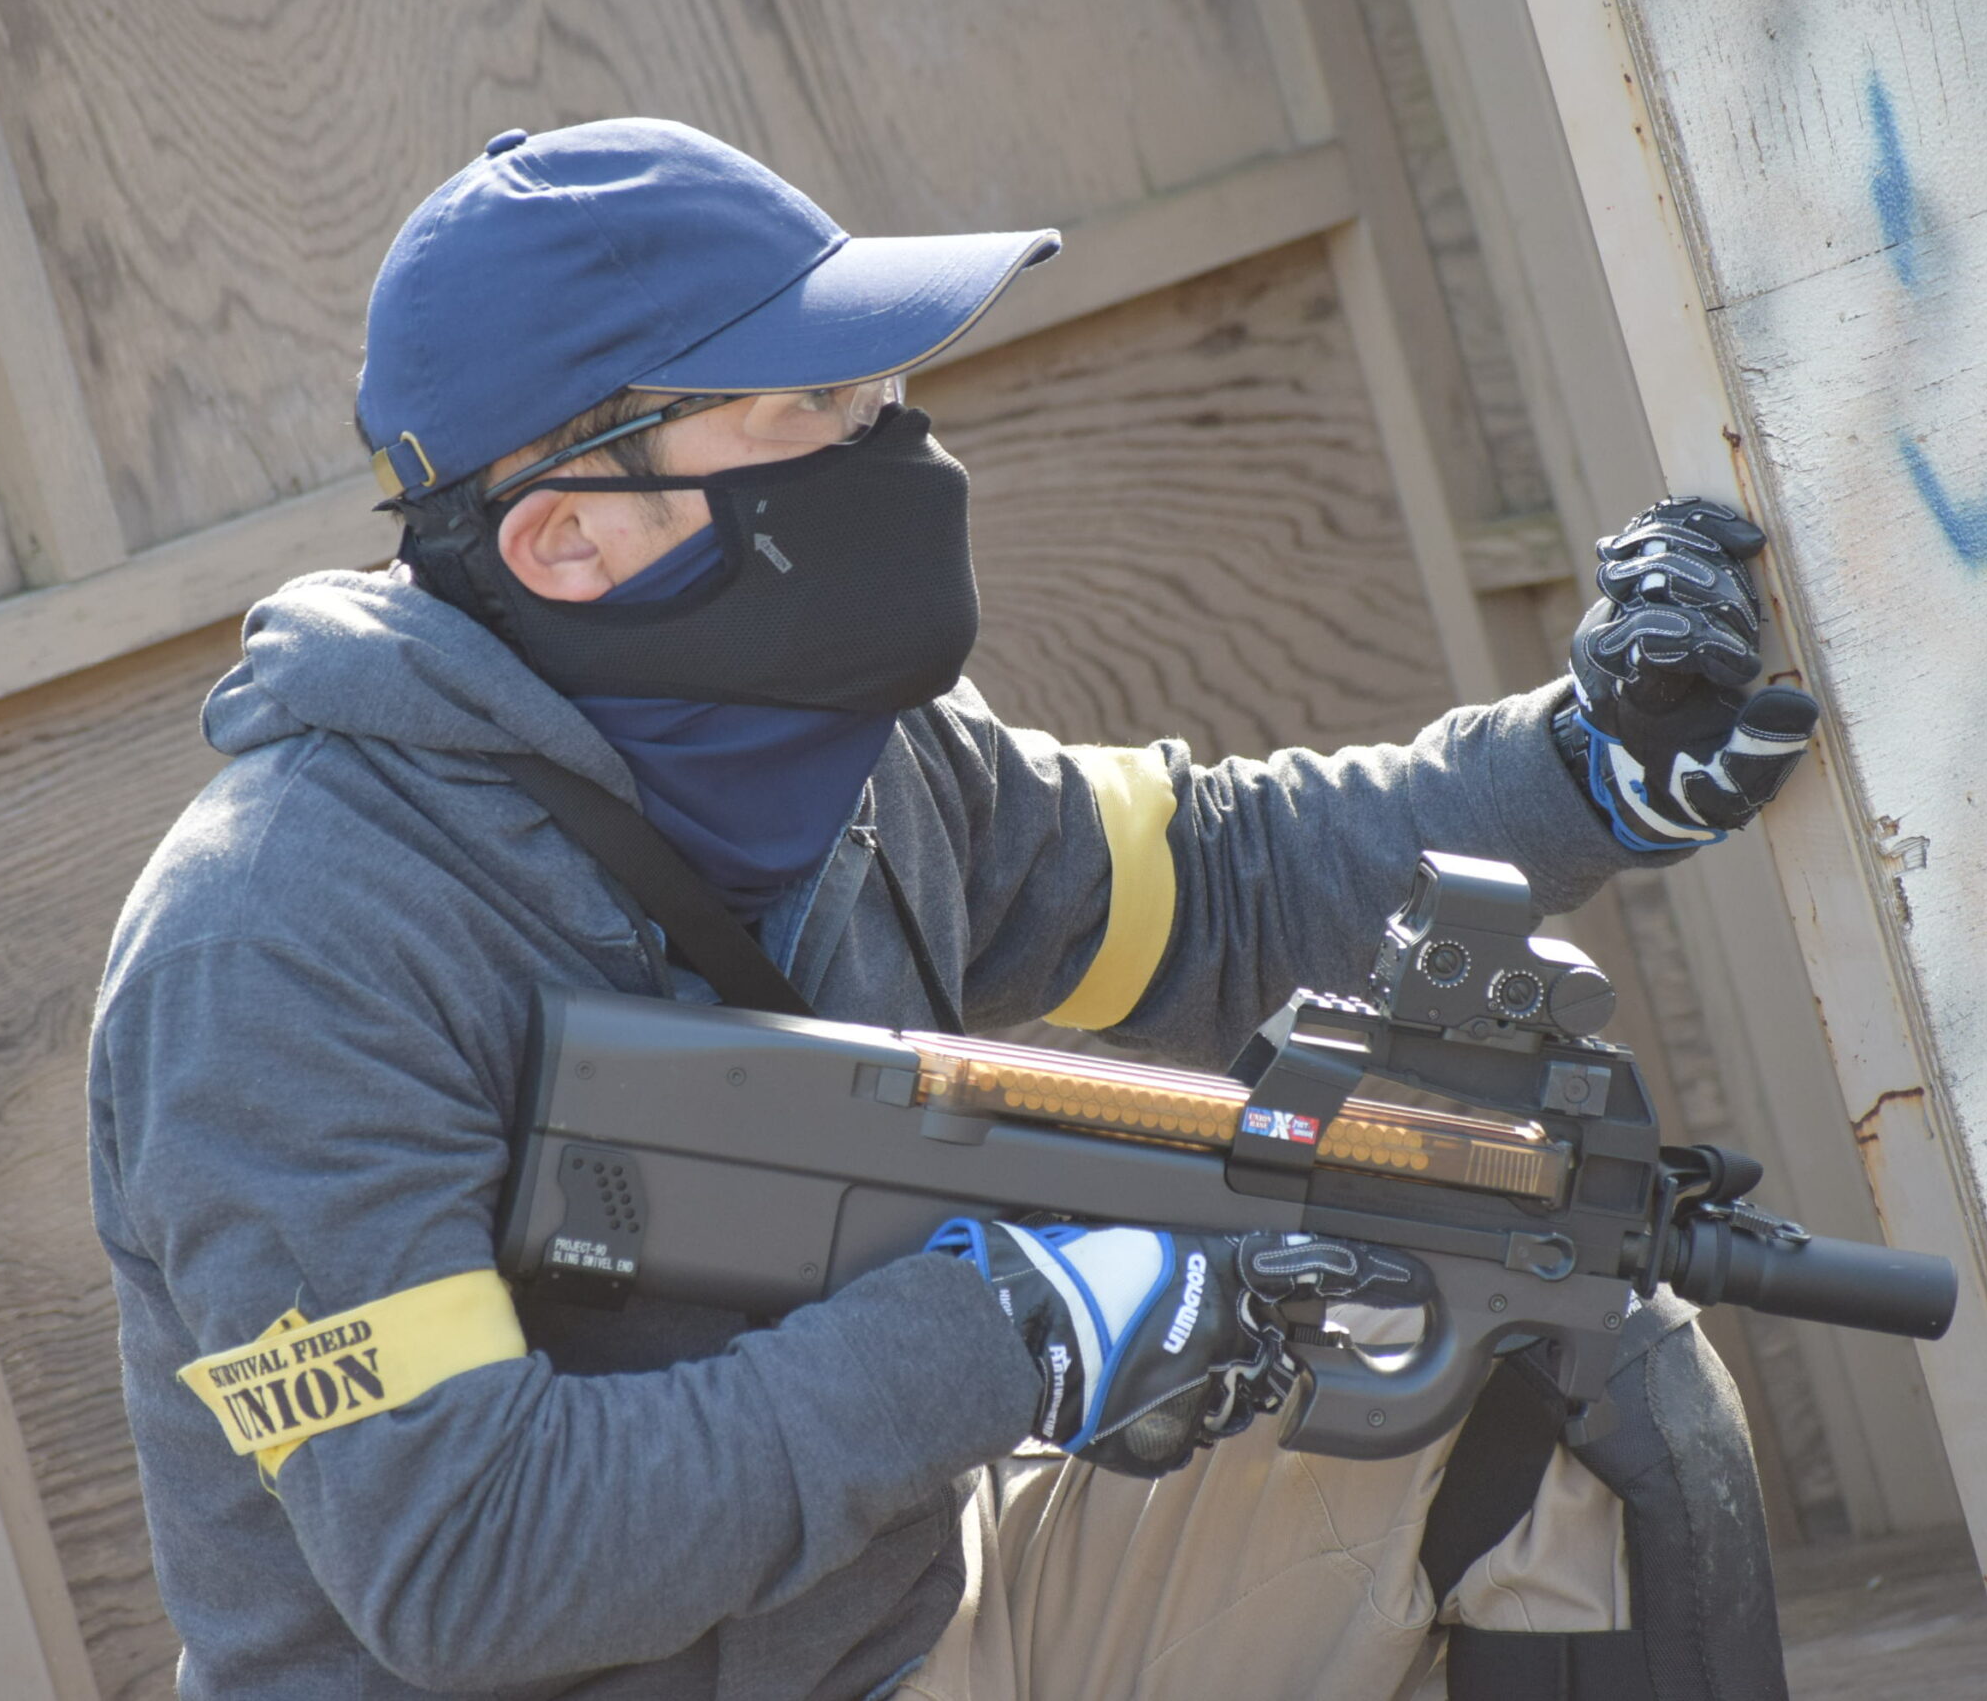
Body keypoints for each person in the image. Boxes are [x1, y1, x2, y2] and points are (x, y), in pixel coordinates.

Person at [88, 118, 1819, 1701]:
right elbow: (475, 1565)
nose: (897, 448)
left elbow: (1224, 881)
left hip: (898, 1632)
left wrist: (1590, 766)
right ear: (568, 541)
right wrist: (1015, 1329)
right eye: (810, 411)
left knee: (1536, 1342)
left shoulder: (848, 746)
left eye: (881, 391)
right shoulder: (275, 951)